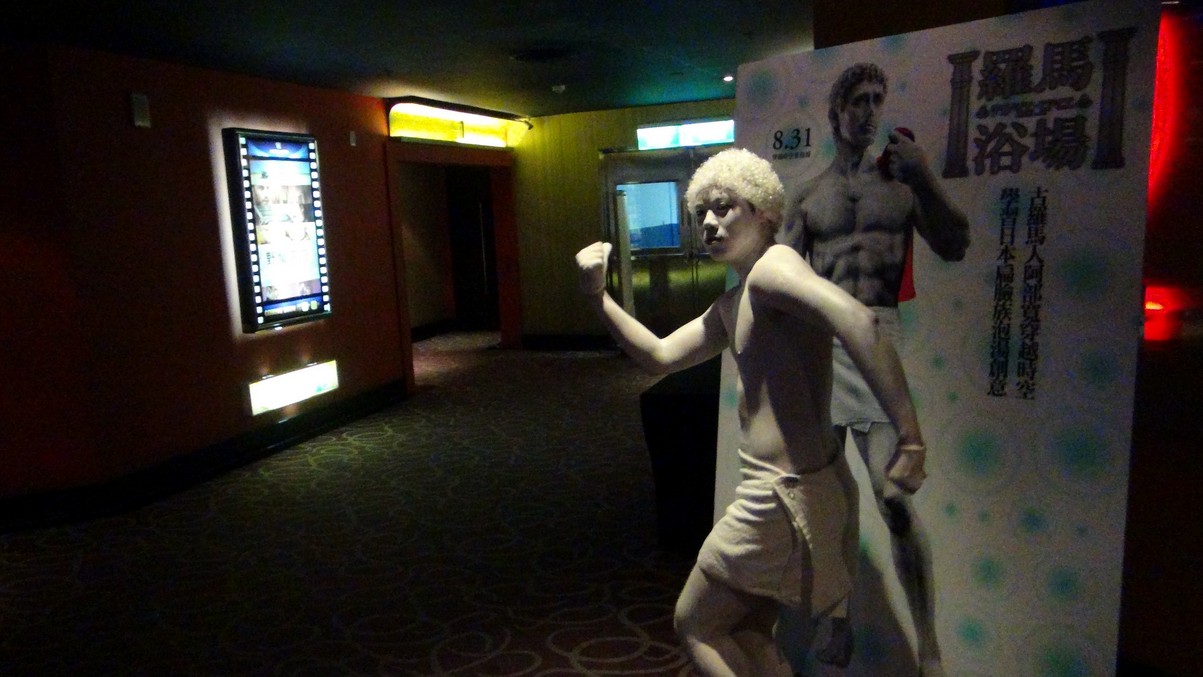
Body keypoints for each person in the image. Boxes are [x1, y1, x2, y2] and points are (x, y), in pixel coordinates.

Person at [575, 148, 928, 676]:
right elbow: (660, 357)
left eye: (724, 208)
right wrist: (597, 296)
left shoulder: (772, 270)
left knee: (696, 624)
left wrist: (911, 439)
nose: (709, 223)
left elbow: (860, 321)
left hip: (779, 497)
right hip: (795, 489)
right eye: (702, 212)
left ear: (763, 212)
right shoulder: (739, 298)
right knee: (748, 631)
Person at [782, 62, 970, 674]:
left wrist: (926, 175)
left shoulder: (902, 186)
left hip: (879, 334)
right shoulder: (809, 196)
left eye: (876, 100)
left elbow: (955, 243)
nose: (869, 111)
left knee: (893, 497)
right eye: (858, 100)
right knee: (823, 497)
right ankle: (836, 623)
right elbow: (780, 279)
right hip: (821, 341)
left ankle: (929, 646)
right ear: (836, 112)